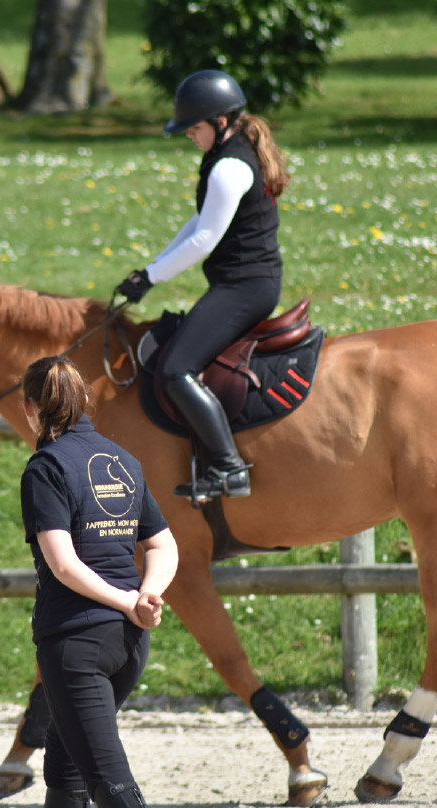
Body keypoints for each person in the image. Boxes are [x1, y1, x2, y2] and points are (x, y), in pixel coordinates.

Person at [19, 354, 179, 808]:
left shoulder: (45, 467)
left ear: (30, 408)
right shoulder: (122, 460)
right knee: (65, 769)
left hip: (76, 645)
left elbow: (63, 565)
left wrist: (130, 599)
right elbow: (163, 544)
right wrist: (146, 593)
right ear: (84, 400)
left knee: (107, 776)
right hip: (126, 646)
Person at [115, 69, 292, 500]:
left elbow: (205, 240)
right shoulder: (230, 154)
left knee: (176, 369)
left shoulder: (229, 167)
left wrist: (152, 278)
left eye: (194, 127)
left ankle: (230, 468)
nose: (190, 136)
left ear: (221, 121)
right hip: (242, 283)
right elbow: (199, 222)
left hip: (245, 288)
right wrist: (149, 269)